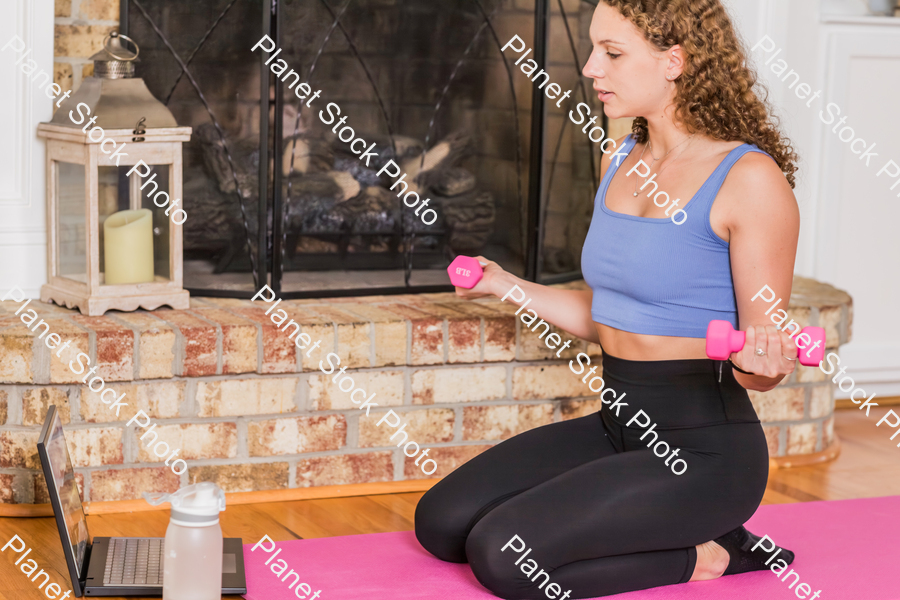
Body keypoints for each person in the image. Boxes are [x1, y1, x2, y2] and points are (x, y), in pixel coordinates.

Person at [414, 1, 803, 598]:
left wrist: (764, 365)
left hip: (703, 451)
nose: (592, 68)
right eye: (594, 49)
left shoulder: (749, 180)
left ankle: (713, 554)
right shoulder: (619, 159)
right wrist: (505, 284)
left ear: (675, 61)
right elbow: (610, 316)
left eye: (613, 54)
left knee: (502, 556)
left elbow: (761, 364)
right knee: (440, 524)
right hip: (619, 423)